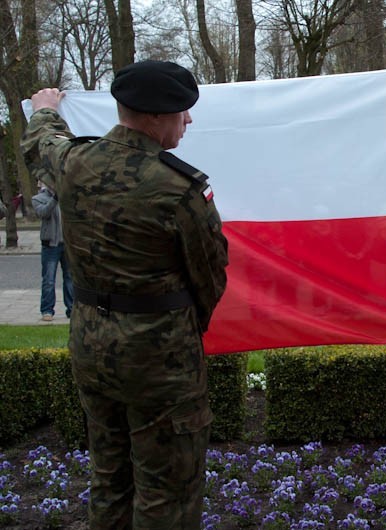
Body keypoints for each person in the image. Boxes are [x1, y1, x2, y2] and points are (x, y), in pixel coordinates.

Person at [21, 60, 229, 529]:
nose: (188, 121)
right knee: (167, 492)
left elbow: (41, 144)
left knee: (110, 477)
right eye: (182, 112)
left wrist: (44, 107)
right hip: (161, 360)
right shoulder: (178, 188)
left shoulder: (75, 164)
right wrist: (178, 332)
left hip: (92, 348)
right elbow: (209, 278)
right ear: (155, 116)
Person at [32, 180, 74, 321]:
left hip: (67, 244)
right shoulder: (37, 199)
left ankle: (72, 308)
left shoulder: (66, 196)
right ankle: (47, 310)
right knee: (49, 279)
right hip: (50, 245)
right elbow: (44, 213)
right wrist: (55, 198)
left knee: (70, 278)